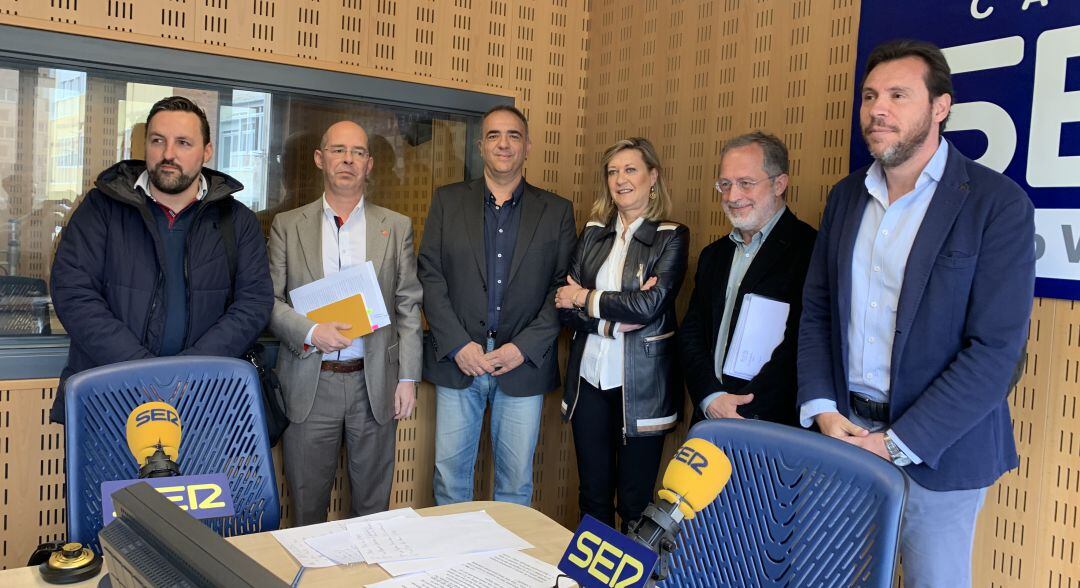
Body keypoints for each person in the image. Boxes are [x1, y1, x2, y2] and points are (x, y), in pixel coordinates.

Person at [797, 39, 1035, 586]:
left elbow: (995, 352)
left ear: (940, 107)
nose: (878, 109)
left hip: (940, 453)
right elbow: (817, 312)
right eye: (870, 95)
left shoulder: (995, 205)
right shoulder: (845, 197)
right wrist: (822, 409)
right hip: (843, 437)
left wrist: (894, 443)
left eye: (898, 95)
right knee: (828, 578)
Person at [50, 96, 273, 423]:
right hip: (109, 399)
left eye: (183, 143)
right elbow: (73, 292)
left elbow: (253, 303)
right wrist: (143, 371)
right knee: (113, 478)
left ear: (207, 151)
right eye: (158, 141)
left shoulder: (237, 221)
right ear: (144, 146)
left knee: (200, 478)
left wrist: (188, 371)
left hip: (205, 403)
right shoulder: (101, 208)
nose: (169, 154)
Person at [418, 105, 576, 506]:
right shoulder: (447, 202)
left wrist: (523, 348)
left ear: (527, 147)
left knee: (515, 484)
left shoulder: (556, 211)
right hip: (459, 361)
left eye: (513, 136)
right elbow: (430, 277)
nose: (503, 144)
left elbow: (562, 288)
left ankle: (504, 570)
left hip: (522, 364)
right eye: (493, 136)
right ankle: (454, 568)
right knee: (450, 479)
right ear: (480, 146)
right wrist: (457, 344)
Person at [268, 120, 422, 524]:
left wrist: (408, 378)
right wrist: (311, 331)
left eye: (357, 152)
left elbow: (408, 304)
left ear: (369, 164)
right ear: (320, 159)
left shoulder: (395, 226)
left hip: (374, 384)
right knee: (306, 506)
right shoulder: (287, 225)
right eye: (338, 150)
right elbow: (267, 302)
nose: (347, 160)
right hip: (309, 381)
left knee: (373, 509)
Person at [555, 137, 688, 532]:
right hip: (589, 379)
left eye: (630, 170)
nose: (620, 179)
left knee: (634, 501)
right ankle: (590, 579)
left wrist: (585, 297)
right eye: (613, 171)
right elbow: (564, 306)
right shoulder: (593, 232)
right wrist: (609, 317)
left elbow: (649, 308)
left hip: (642, 387)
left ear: (653, 177)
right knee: (592, 494)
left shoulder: (671, 235)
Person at [678, 132, 816, 425]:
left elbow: (802, 345)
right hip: (709, 416)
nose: (732, 196)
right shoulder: (713, 255)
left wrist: (743, 408)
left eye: (746, 183)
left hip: (770, 425)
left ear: (779, 184)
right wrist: (710, 397)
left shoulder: (810, 250)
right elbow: (692, 333)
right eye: (725, 184)